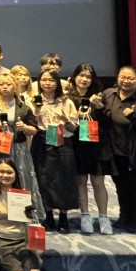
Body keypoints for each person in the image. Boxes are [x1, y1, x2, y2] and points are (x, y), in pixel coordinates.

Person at [91, 66, 136, 233]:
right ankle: (124, 216)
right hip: (114, 148)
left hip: (135, 151)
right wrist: (98, 107)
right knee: (120, 185)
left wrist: (134, 118)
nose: (126, 81)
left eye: (131, 78)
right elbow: (103, 121)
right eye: (123, 77)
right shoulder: (109, 94)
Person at [30, 70, 79, 232]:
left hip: (63, 141)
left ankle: (63, 216)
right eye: (44, 80)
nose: (47, 83)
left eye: (51, 80)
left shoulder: (66, 102)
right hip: (42, 141)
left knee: (64, 178)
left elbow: (74, 128)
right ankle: (48, 215)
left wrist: (66, 120)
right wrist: (36, 112)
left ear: (57, 82)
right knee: (43, 178)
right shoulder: (33, 100)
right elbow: (31, 124)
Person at [0, 72, 43, 220]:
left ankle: (24, 213)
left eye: (8, 84)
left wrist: (24, 127)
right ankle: (0, 213)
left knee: (21, 177)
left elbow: (34, 130)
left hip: (19, 147)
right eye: (1, 84)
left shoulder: (23, 106)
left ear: (15, 87)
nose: (5, 87)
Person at [67, 64, 111, 234]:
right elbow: (65, 123)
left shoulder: (99, 96)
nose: (84, 79)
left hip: (96, 144)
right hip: (77, 143)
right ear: (74, 77)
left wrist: (99, 107)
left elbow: (108, 123)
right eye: (81, 75)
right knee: (81, 181)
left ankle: (104, 216)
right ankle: (85, 215)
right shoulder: (68, 98)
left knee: (98, 181)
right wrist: (75, 116)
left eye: (88, 77)